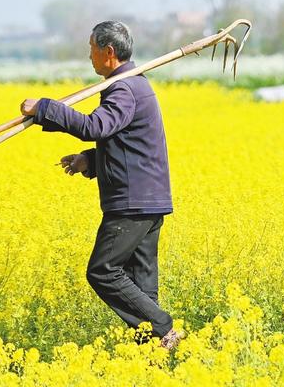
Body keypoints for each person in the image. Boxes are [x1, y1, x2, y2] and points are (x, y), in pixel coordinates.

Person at [20, 20, 184, 351]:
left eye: (92, 48)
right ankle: (152, 358)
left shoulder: (124, 88)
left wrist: (45, 108)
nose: (89, 55)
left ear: (108, 52)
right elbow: (126, 143)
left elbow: (96, 126)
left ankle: (165, 329)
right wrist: (89, 161)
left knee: (103, 271)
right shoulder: (134, 85)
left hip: (132, 203)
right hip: (147, 200)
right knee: (141, 286)